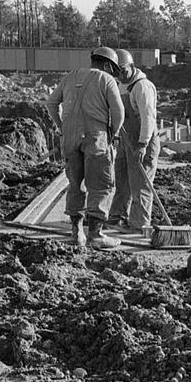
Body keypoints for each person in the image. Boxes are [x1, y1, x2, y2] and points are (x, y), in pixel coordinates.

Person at [46, 47, 125, 249]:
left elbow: (51, 102)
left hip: (70, 139)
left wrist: (61, 127)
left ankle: (76, 233)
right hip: (95, 138)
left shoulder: (70, 77)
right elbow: (118, 112)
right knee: (101, 184)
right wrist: (112, 134)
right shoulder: (106, 80)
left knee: (75, 184)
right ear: (108, 65)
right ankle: (96, 235)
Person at [106, 49, 160, 233]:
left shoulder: (142, 86)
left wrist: (143, 144)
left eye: (123, 70)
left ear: (132, 66)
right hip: (126, 139)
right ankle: (117, 216)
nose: (120, 75)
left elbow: (148, 118)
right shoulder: (120, 85)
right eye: (116, 71)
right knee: (122, 180)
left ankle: (139, 224)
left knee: (140, 184)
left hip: (143, 140)